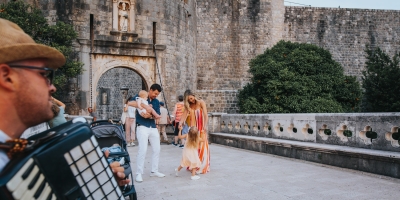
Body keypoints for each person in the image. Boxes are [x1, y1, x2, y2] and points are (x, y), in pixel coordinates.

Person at [0, 18, 129, 186]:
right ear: (6, 77)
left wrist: (89, 188)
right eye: (44, 75)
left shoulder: (17, 149)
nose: (52, 87)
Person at [127, 84, 165, 182]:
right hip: (142, 127)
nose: (155, 96)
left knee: (157, 149)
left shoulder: (156, 102)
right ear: (150, 90)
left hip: (152, 127)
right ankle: (139, 173)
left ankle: (154, 171)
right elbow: (130, 103)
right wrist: (144, 105)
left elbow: (158, 114)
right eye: (155, 93)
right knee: (142, 150)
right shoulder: (141, 96)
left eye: (157, 94)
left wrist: (149, 115)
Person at [179, 89, 210, 174]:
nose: (191, 100)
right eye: (189, 100)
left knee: (202, 147)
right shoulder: (188, 106)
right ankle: (194, 165)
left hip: (201, 128)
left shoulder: (201, 102)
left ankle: (201, 165)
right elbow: (183, 117)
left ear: (194, 95)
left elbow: (205, 115)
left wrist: (205, 126)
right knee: (194, 148)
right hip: (193, 130)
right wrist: (180, 123)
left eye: (192, 98)